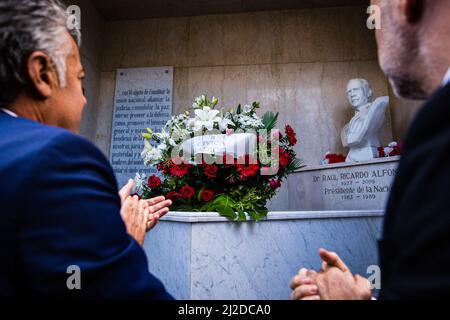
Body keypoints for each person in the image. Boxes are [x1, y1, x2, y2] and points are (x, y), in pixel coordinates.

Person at [0, 0, 172, 298]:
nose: (84, 100)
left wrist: (96, 217)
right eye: (80, 81)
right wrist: (124, 240)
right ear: (42, 74)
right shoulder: (60, 158)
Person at [291, 0, 450, 300]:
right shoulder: (435, 122)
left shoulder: (436, 128)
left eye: (374, 7)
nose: (374, 27)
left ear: (406, 5)